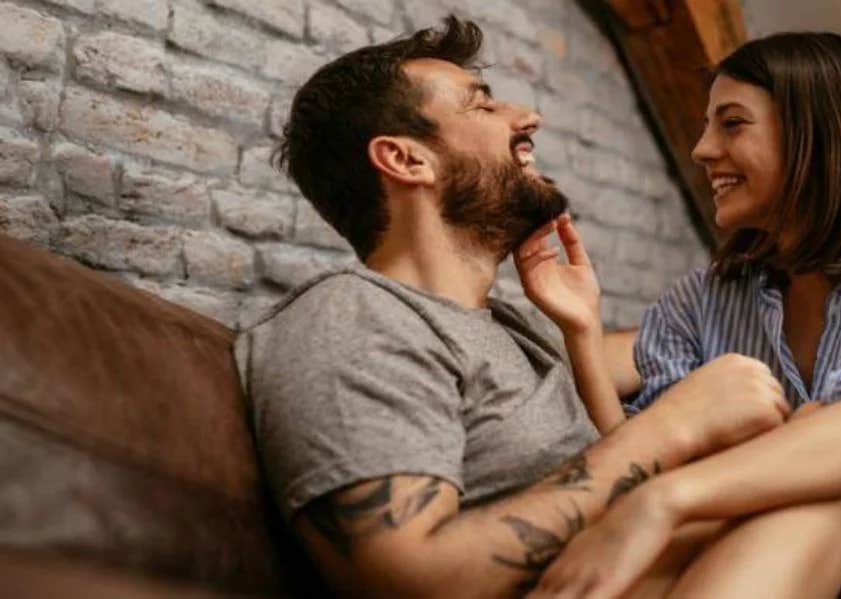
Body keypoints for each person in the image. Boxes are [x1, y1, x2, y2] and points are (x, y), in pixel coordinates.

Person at [234, 17, 792, 598]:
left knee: (810, 471)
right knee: (804, 504)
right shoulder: (349, 321)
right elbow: (407, 578)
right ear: (406, 160)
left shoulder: (515, 326)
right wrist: (669, 427)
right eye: (482, 107)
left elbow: (631, 437)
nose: (527, 117)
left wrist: (581, 330)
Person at [533, 32, 841, 598]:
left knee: (831, 463)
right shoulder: (700, 301)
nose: (702, 149)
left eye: (732, 123)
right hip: (742, 561)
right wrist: (583, 331)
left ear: (817, 133)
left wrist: (665, 500)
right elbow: (641, 457)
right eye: (708, 125)